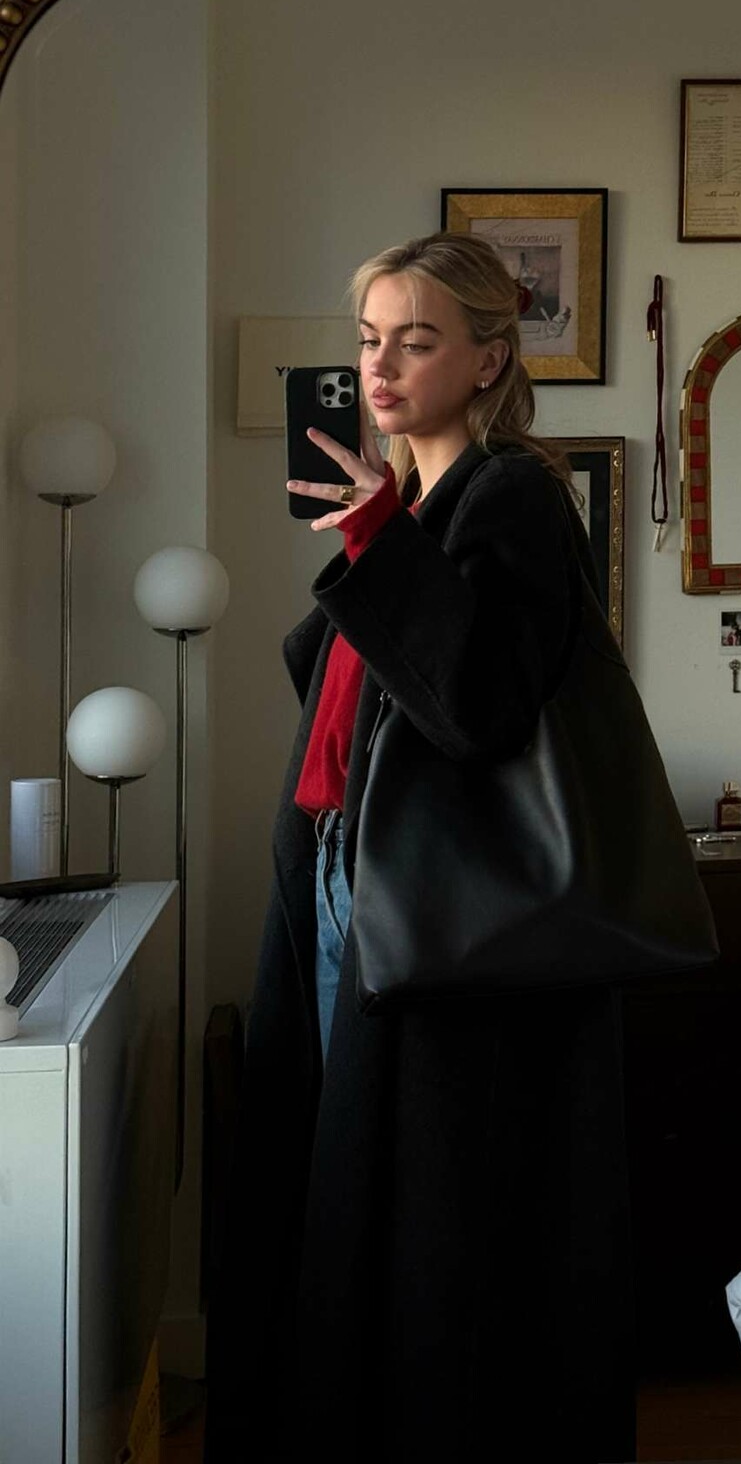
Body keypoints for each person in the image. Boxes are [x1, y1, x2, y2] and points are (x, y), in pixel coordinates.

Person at [205, 232, 635, 1463]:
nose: (381, 367)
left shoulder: (512, 497)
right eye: (368, 340)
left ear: (490, 358)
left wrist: (378, 537)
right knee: (348, 1186)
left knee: (419, 1214)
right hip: (351, 885)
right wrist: (376, 532)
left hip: (432, 916)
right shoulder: (421, 505)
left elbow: (479, 704)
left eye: (417, 339)